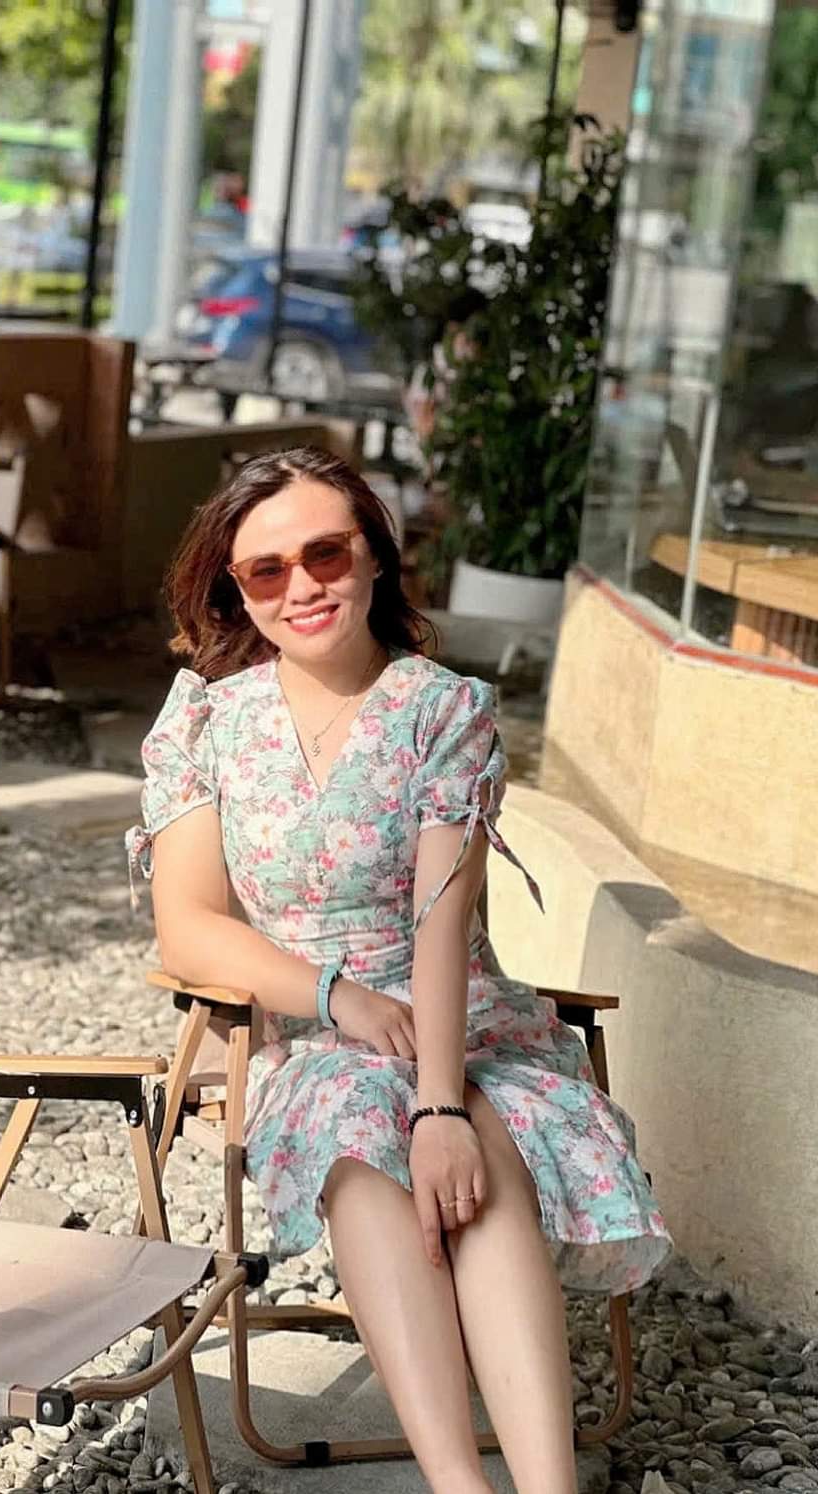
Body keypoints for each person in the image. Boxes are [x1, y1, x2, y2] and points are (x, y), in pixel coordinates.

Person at [127, 446, 671, 1494]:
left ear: (375, 554)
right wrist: (338, 1000)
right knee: (353, 1124)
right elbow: (187, 928)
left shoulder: (443, 709)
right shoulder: (205, 721)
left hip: (458, 1015)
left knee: (479, 1147)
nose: (300, 586)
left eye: (325, 554)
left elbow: (440, 920)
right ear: (236, 588)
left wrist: (440, 1107)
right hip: (312, 1025)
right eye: (266, 569)